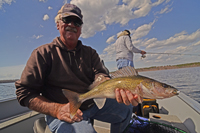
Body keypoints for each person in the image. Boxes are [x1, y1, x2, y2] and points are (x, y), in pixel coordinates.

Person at [15, 4, 142, 133]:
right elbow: (24, 93)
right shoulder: (42, 54)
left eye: (77, 22)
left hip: (91, 105)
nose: (72, 24)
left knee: (126, 109)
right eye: (66, 20)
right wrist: (56, 109)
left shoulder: (90, 53)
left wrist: (104, 80)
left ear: (81, 29)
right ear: (58, 24)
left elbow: (101, 73)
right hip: (61, 113)